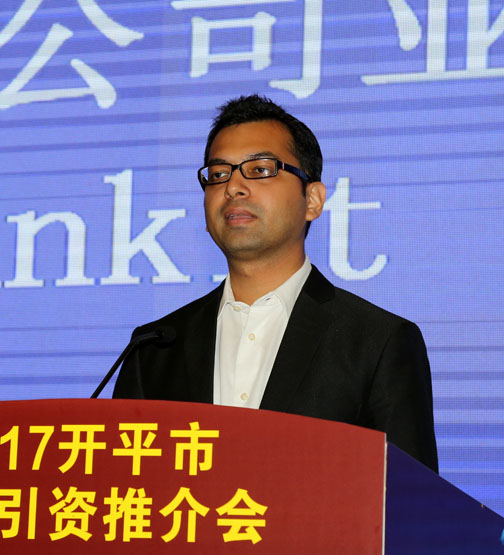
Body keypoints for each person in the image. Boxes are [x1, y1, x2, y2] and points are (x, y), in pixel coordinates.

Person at [113, 95, 438, 472]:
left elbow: (411, 500)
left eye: (260, 169)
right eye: (218, 175)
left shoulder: (377, 343)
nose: (233, 187)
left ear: (313, 200)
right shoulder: (154, 348)